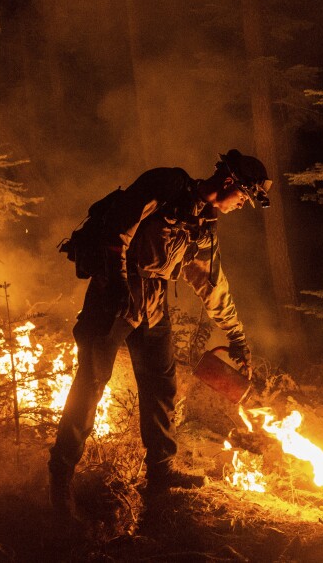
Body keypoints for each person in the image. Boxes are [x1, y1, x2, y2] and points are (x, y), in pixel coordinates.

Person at [48, 149, 270, 523]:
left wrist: (238, 340)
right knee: (91, 384)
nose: (242, 205)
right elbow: (119, 227)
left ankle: (161, 472)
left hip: (154, 299)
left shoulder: (204, 226)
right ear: (230, 182)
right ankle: (61, 477)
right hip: (115, 292)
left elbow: (214, 287)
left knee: (161, 385)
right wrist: (117, 283)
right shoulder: (166, 184)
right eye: (244, 197)